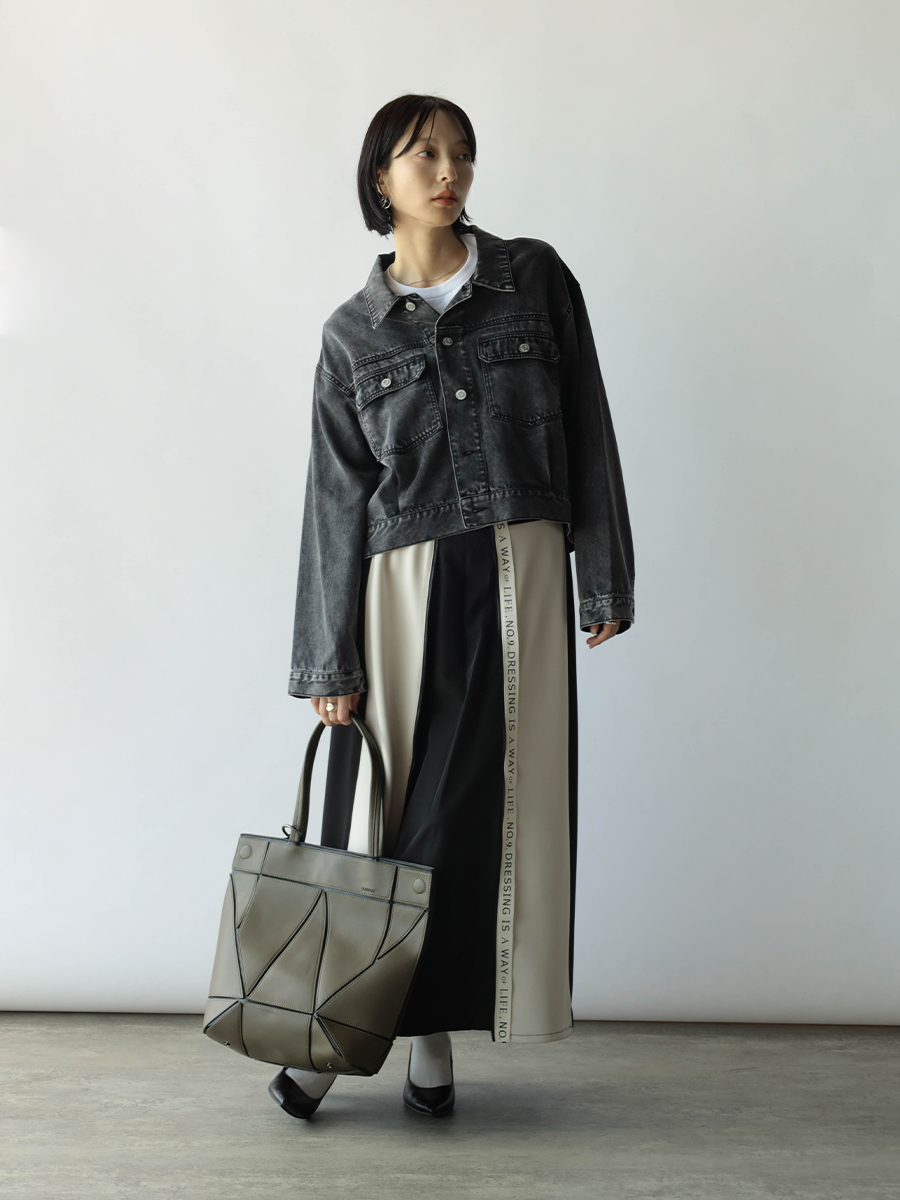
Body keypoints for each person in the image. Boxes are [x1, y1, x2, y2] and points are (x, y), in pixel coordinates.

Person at [267, 93, 635, 1120]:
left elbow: (590, 428)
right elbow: (334, 503)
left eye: (462, 153)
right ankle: (390, 1041)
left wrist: (603, 573)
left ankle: (406, 1042)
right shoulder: (351, 334)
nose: (449, 171)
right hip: (405, 591)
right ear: (380, 177)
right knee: (400, 817)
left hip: (523, 572)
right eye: (425, 153)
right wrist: (329, 658)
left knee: (492, 819)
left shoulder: (534, 280)